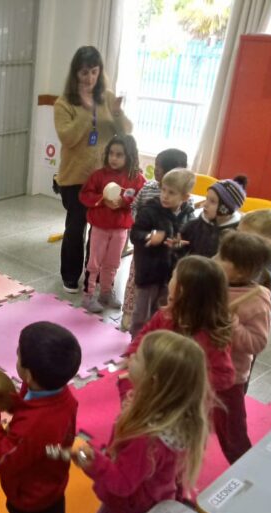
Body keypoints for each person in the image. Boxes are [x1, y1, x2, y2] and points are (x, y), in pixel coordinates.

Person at [73, 330, 210, 513]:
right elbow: (134, 402)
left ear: (151, 380)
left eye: (138, 357)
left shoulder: (146, 439)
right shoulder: (171, 410)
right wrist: (127, 384)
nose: (132, 355)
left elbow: (122, 484)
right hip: (153, 497)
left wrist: (92, 462)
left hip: (134, 510)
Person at [0, 322, 81, 513]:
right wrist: (11, 402)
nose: (15, 354)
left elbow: (4, 458)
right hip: (49, 482)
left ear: (28, 373)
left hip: (30, 498)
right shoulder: (61, 394)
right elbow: (31, 403)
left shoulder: (34, 425)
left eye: (18, 353)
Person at [127, 256, 237, 464]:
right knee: (148, 438)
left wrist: (189, 381)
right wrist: (132, 353)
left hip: (183, 407)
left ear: (185, 292)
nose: (170, 281)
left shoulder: (212, 337)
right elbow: (145, 335)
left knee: (175, 454)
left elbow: (225, 376)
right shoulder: (166, 315)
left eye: (174, 277)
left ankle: (172, 480)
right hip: (156, 393)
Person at [54, 46, 132, 294]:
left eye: (94, 72)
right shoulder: (64, 103)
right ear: (75, 73)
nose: (89, 79)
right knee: (76, 227)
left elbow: (126, 131)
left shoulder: (107, 98)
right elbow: (68, 138)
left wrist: (116, 112)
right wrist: (88, 113)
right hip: (74, 178)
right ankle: (70, 276)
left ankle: (93, 275)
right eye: (84, 73)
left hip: (105, 179)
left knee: (100, 230)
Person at [214, 232, 271, 462]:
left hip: (230, 378)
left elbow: (258, 343)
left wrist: (232, 325)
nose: (216, 260)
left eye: (222, 258)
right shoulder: (216, 282)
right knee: (184, 429)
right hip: (199, 370)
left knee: (233, 434)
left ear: (241, 270)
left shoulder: (257, 301)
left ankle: (245, 471)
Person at [122, 149, 189, 330]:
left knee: (161, 313)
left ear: (184, 197)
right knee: (141, 313)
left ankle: (153, 343)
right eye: (163, 191)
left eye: (171, 193)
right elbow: (136, 233)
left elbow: (186, 241)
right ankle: (135, 344)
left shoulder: (187, 214)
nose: (165, 196)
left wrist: (180, 244)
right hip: (148, 271)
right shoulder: (150, 209)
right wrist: (149, 236)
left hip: (169, 274)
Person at [79, 135, 145, 313]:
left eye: (120, 155)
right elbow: (85, 195)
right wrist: (102, 200)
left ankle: (106, 293)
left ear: (129, 156)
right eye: (112, 154)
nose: (114, 158)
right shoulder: (99, 176)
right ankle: (88, 295)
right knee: (94, 262)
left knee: (113, 262)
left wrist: (124, 203)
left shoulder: (136, 178)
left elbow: (140, 198)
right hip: (100, 227)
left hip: (121, 229)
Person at [180, 176, 246, 258]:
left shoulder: (236, 236)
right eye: (207, 199)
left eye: (212, 201)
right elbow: (182, 247)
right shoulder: (194, 225)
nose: (205, 204)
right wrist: (177, 247)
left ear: (225, 208)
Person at [238, 209, 271, 304]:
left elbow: (266, 307)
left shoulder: (269, 275)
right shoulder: (236, 257)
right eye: (238, 233)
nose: (239, 240)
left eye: (249, 238)